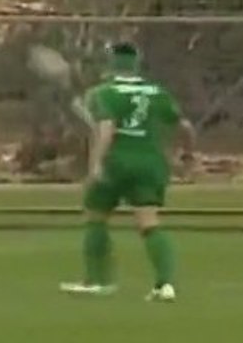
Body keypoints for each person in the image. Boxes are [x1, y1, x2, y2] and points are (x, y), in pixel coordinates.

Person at [60, 42, 195, 301]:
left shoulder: (103, 93)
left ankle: (97, 280)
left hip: (116, 163)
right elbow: (185, 127)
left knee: (96, 217)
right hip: (151, 164)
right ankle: (165, 284)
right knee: (149, 222)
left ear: (111, 64)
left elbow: (106, 128)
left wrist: (96, 163)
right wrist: (188, 155)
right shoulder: (158, 92)